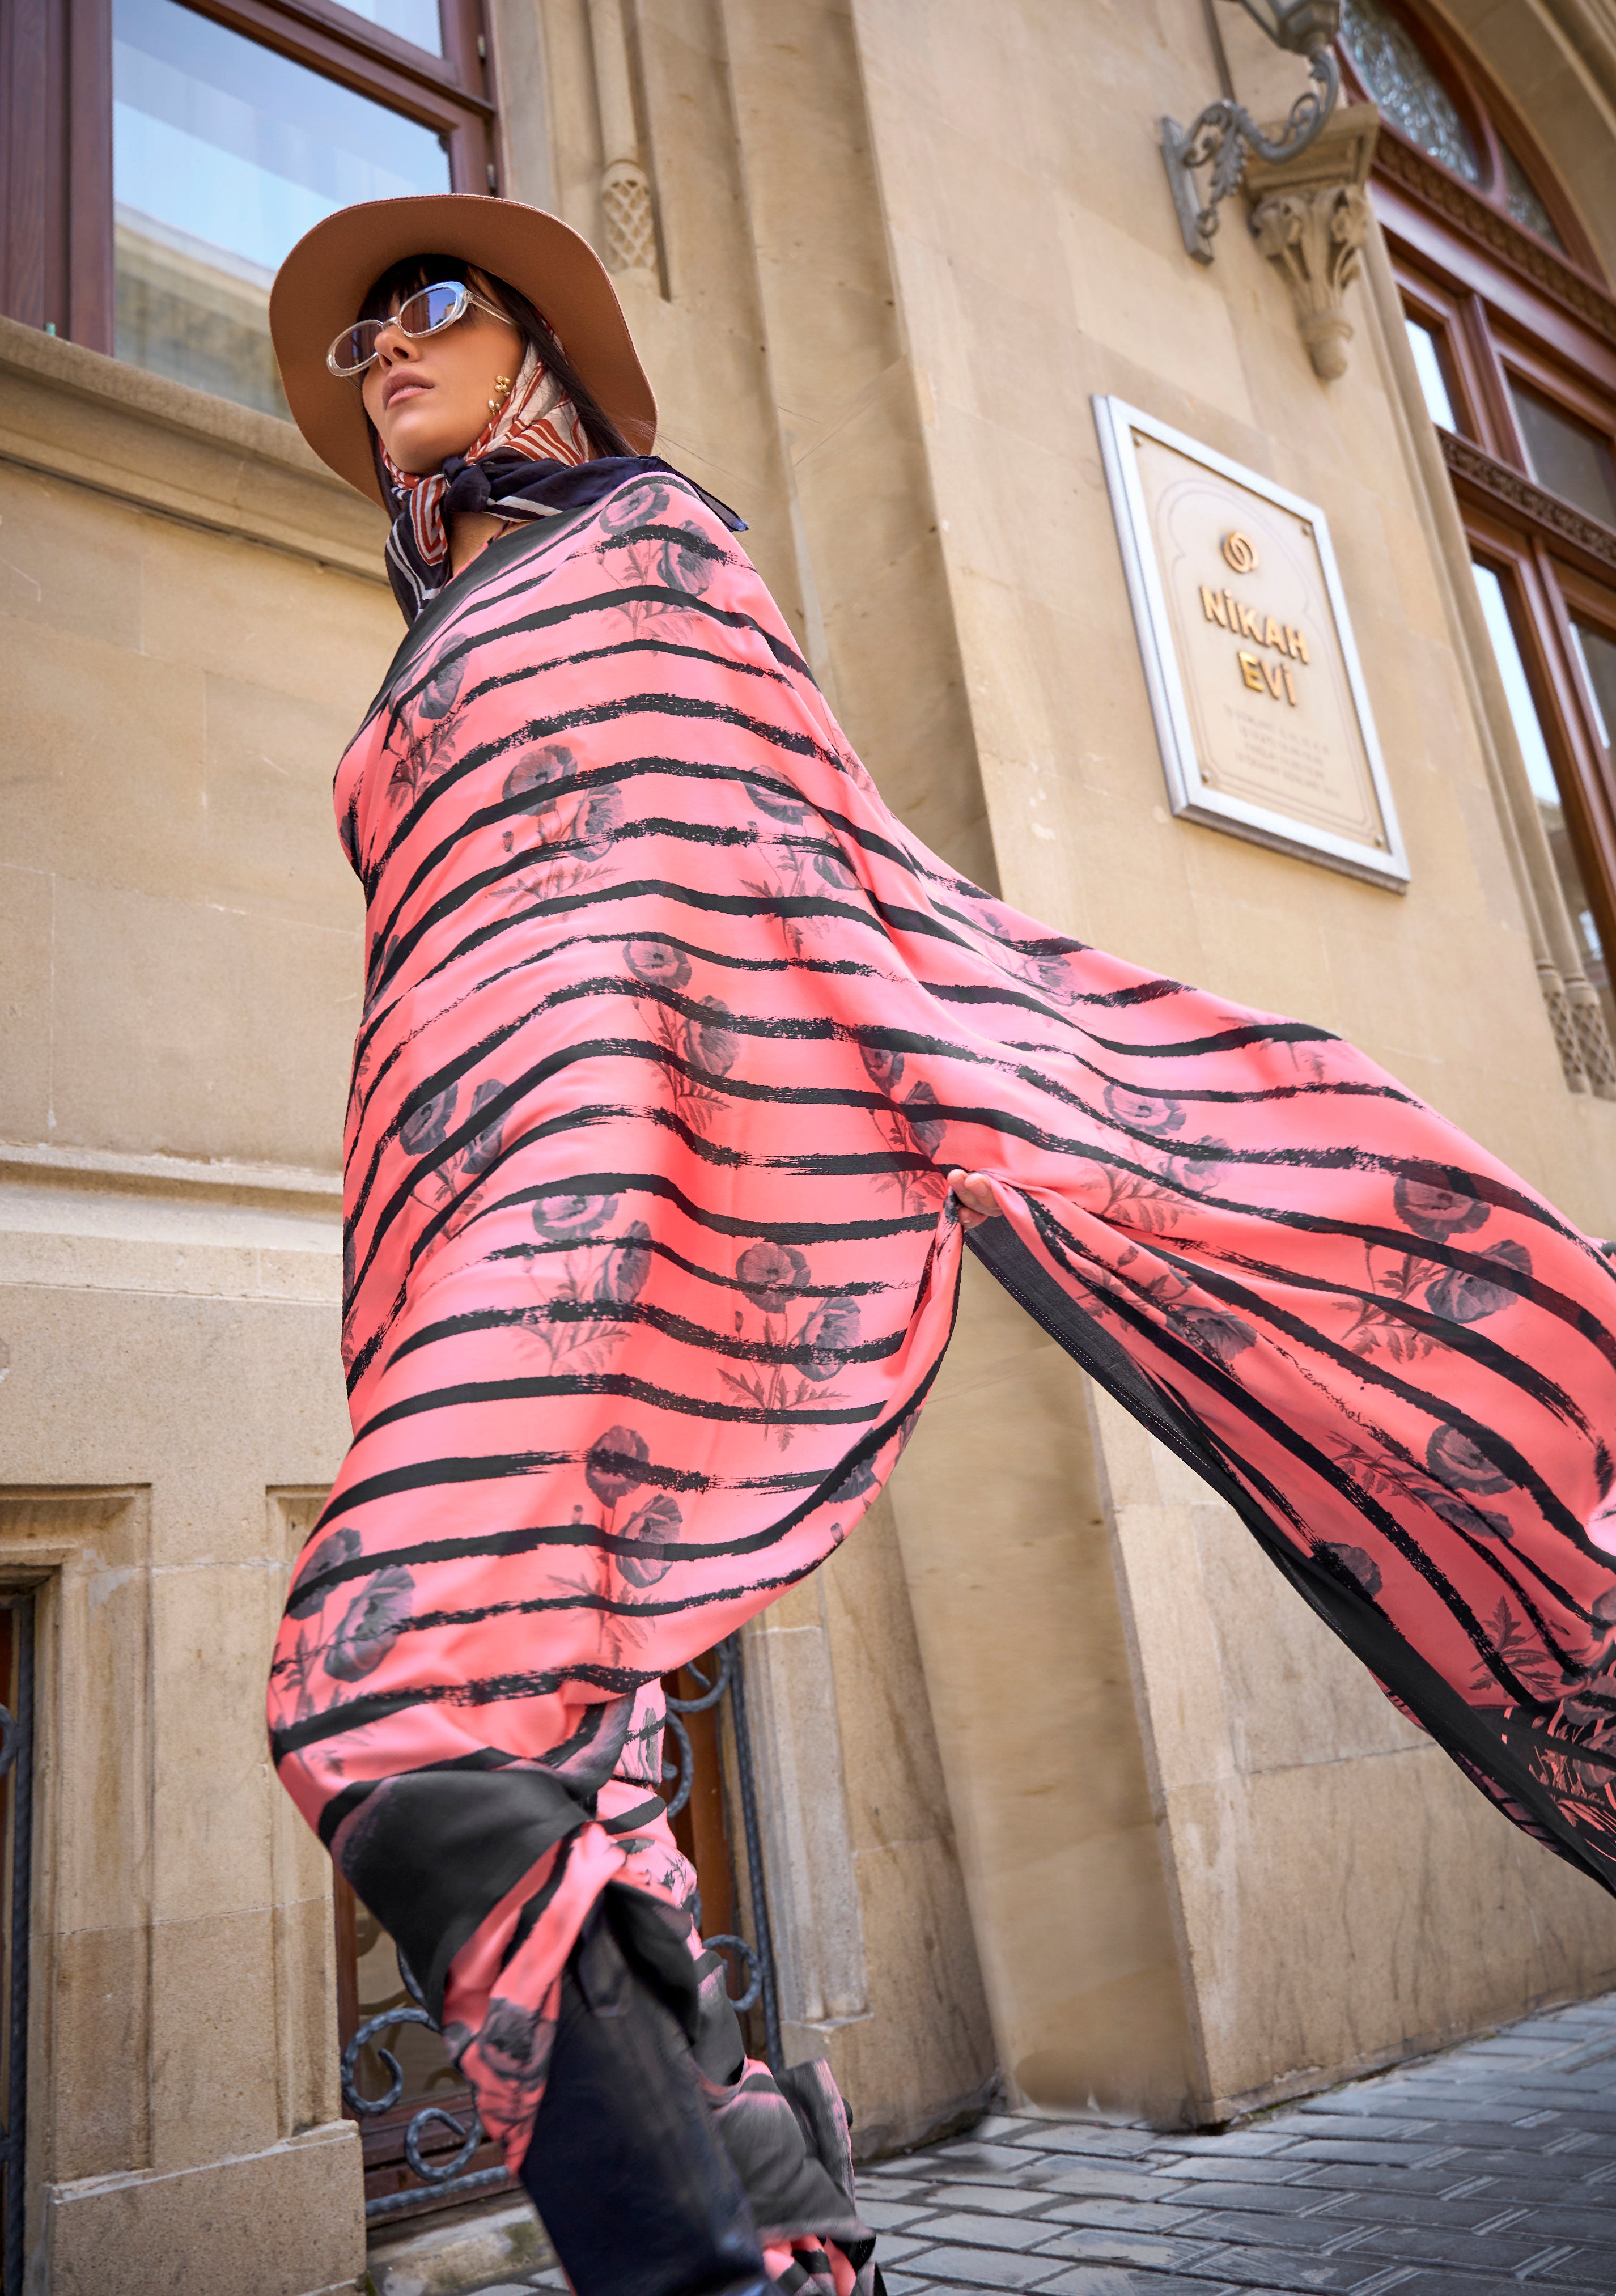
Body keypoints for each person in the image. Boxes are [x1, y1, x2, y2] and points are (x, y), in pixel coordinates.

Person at [266, 193, 1616, 2296]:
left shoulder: (655, 551)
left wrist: (893, 1112)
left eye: (426, 302)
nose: (384, 355)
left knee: (409, 1673)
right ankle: (792, 2256)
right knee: (575, 1742)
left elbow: (791, 880)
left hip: (610, 1168)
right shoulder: (431, 633)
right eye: (354, 348)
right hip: (428, 1197)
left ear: (538, 344)